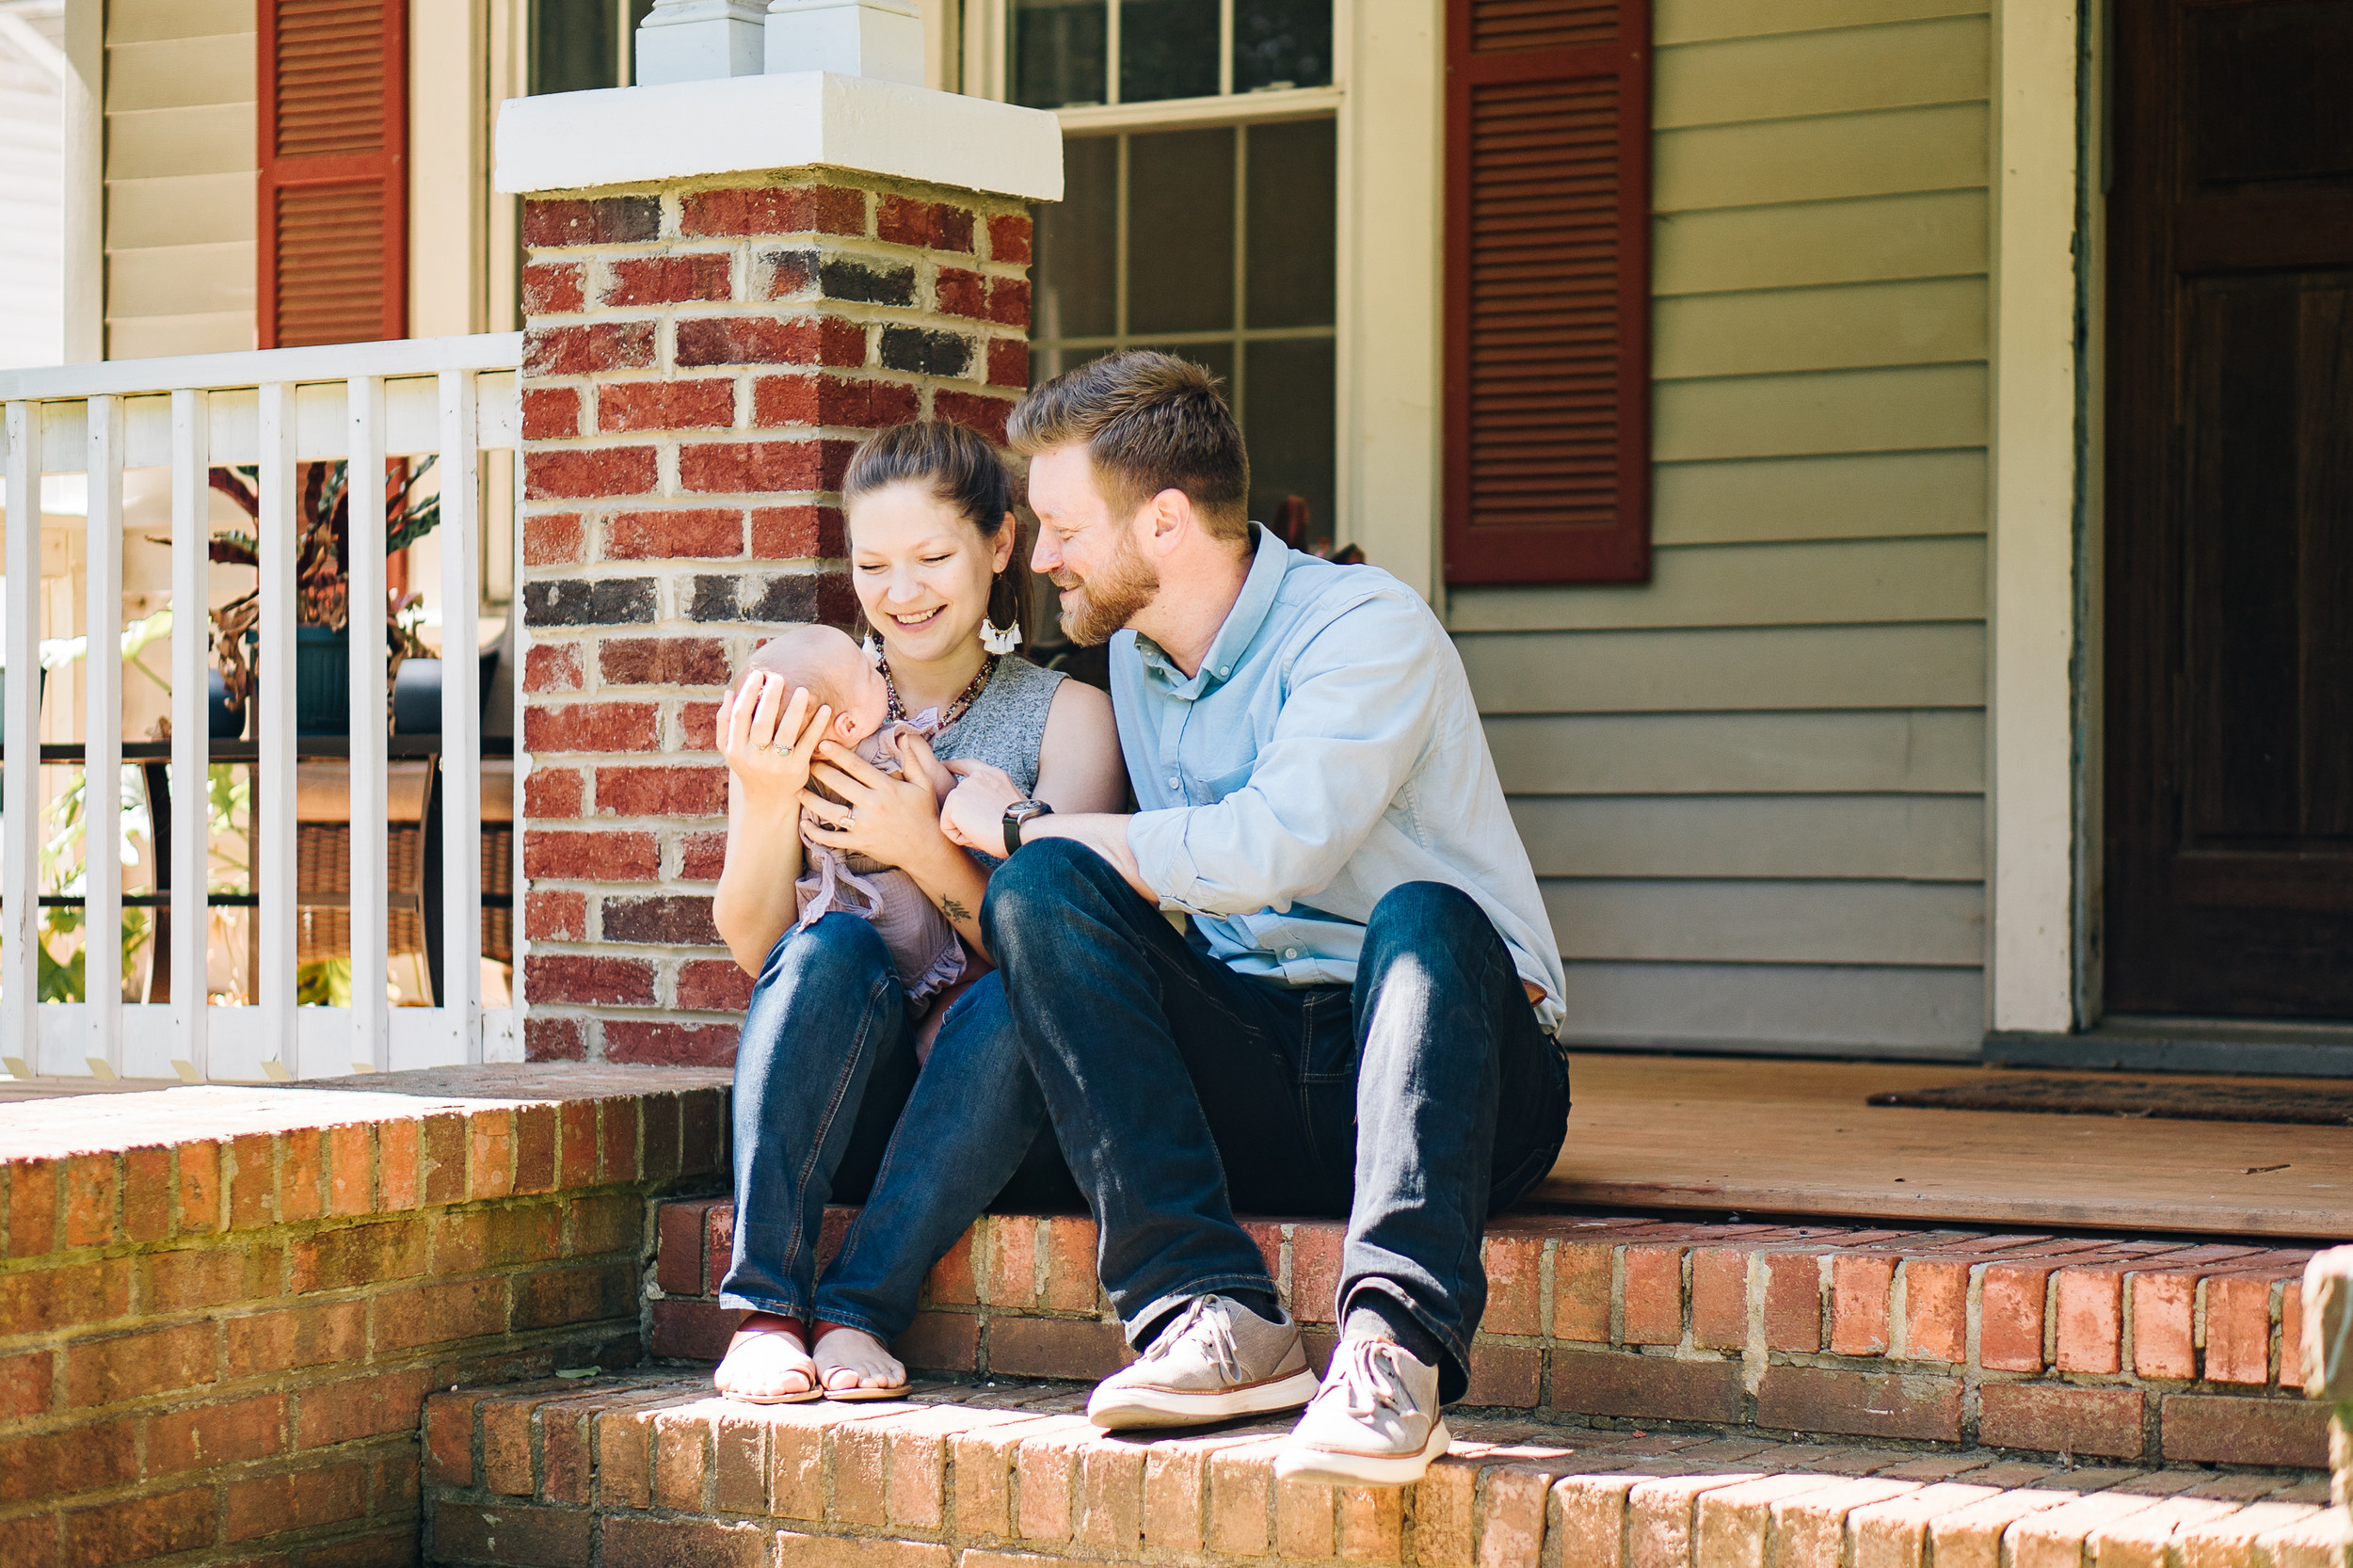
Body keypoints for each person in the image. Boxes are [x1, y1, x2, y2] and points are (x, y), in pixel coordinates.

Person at [937, 352, 1571, 1485]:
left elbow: (1272, 845)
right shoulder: (1133, 655)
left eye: (1063, 527)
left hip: (1452, 1073)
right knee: (1042, 895)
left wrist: (1027, 826)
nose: (1042, 559)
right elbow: (1128, 890)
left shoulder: (1365, 626)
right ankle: (1209, 1314)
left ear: (1166, 522)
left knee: (1423, 912)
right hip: (1265, 1064)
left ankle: (1393, 1353)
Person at [708, 420, 1125, 1404]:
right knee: (827, 949)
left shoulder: (1070, 719)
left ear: (998, 545)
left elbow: (1073, 955)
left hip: (992, 1111)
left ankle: (861, 1309)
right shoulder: (810, 696)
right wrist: (765, 797)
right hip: (846, 1095)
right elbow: (758, 951)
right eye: (873, 564)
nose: (902, 592)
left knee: (1013, 1002)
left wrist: (920, 847)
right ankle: (766, 1312)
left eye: (933, 556)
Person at [739, 625, 968, 1026]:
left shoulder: (796, 775)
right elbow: (948, 797)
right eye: (869, 673)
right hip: (910, 936)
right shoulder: (898, 745)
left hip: (838, 938)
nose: (876, 665)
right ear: (847, 726)